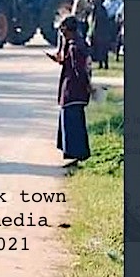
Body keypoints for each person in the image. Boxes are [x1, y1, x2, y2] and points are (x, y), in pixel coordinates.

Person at [45, 16, 91, 166]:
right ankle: (75, 155)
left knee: (72, 126)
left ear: (68, 31)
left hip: (73, 91)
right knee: (72, 124)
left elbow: (80, 70)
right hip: (74, 92)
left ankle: (75, 156)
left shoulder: (75, 47)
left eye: (63, 31)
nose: (62, 34)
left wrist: (87, 85)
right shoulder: (76, 44)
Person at [88, 0, 113, 69]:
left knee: (102, 48)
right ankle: (102, 63)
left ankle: (103, 64)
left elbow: (96, 22)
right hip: (101, 32)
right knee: (101, 48)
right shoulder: (98, 8)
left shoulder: (99, 9)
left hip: (100, 32)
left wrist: (92, 32)